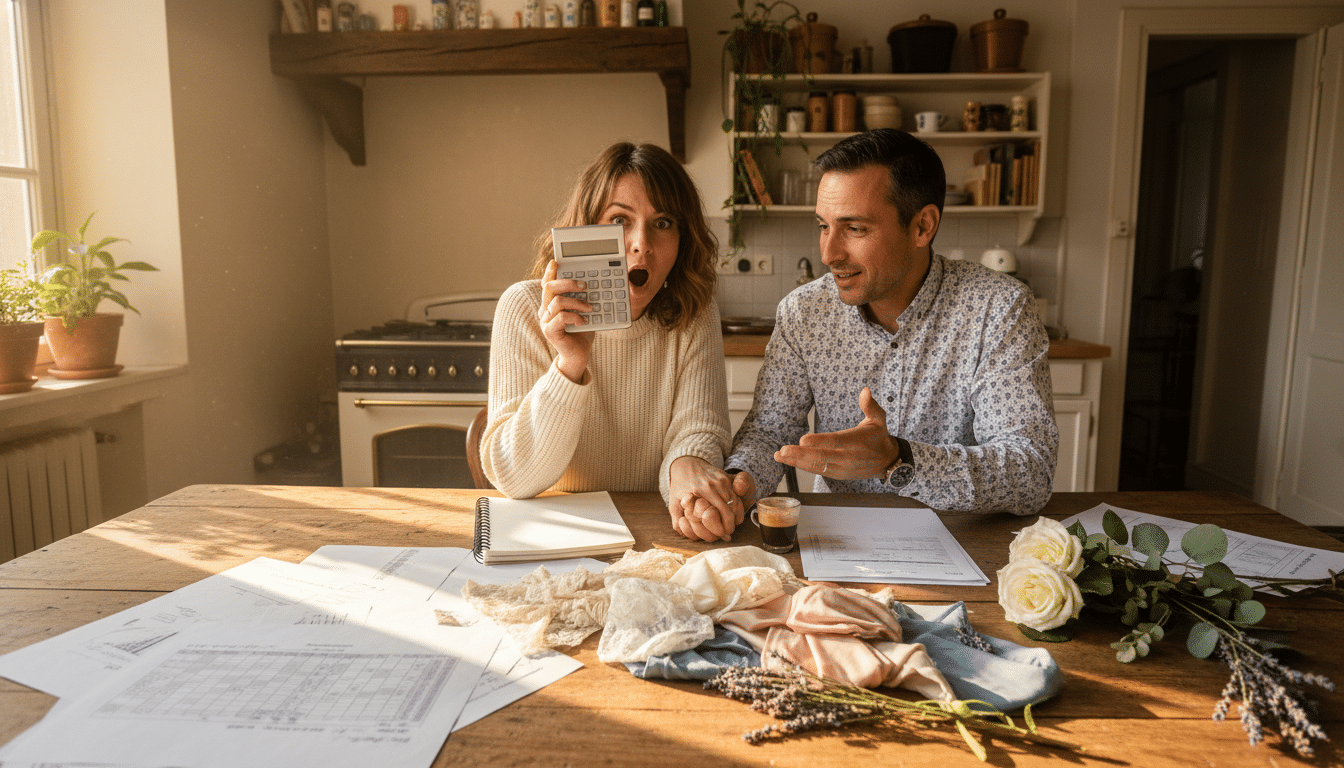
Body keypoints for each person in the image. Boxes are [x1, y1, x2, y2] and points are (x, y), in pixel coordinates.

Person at [680, 128, 1057, 538]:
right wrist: (741, 483)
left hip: (963, 537)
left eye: (854, 229)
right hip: (837, 536)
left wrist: (897, 460)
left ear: (922, 226)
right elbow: (771, 430)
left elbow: (1030, 470)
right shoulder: (804, 312)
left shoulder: (998, 308)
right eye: (824, 226)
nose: (829, 253)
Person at [482, 142, 741, 539]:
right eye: (620, 220)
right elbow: (515, 479)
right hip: (552, 537)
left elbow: (697, 429)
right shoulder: (522, 308)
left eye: (663, 222)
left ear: (682, 239)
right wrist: (570, 363)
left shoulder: (695, 311)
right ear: (585, 230)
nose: (641, 243)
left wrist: (687, 466)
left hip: (655, 534)